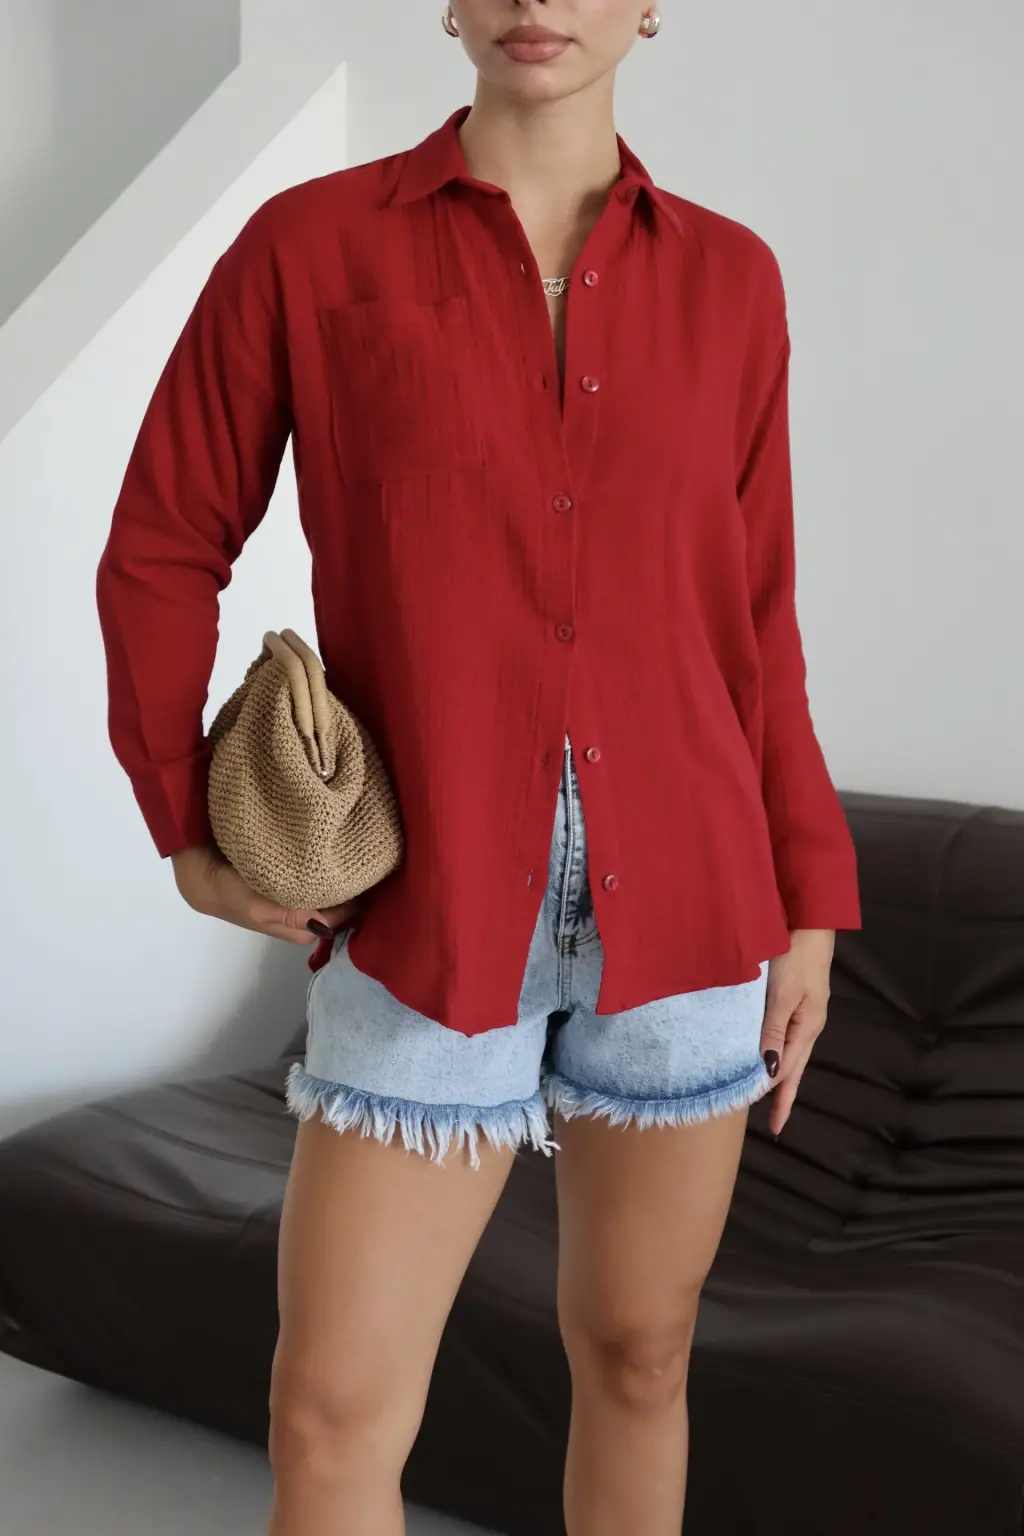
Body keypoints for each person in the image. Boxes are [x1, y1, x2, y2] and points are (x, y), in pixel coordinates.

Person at [96, 3, 861, 1532]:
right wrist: (185, 819)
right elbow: (164, 544)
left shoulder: (733, 279)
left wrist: (814, 898)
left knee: (641, 1356)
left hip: (693, 902)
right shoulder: (311, 249)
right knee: (328, 1416)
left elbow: (758, 617)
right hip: (427, 910)